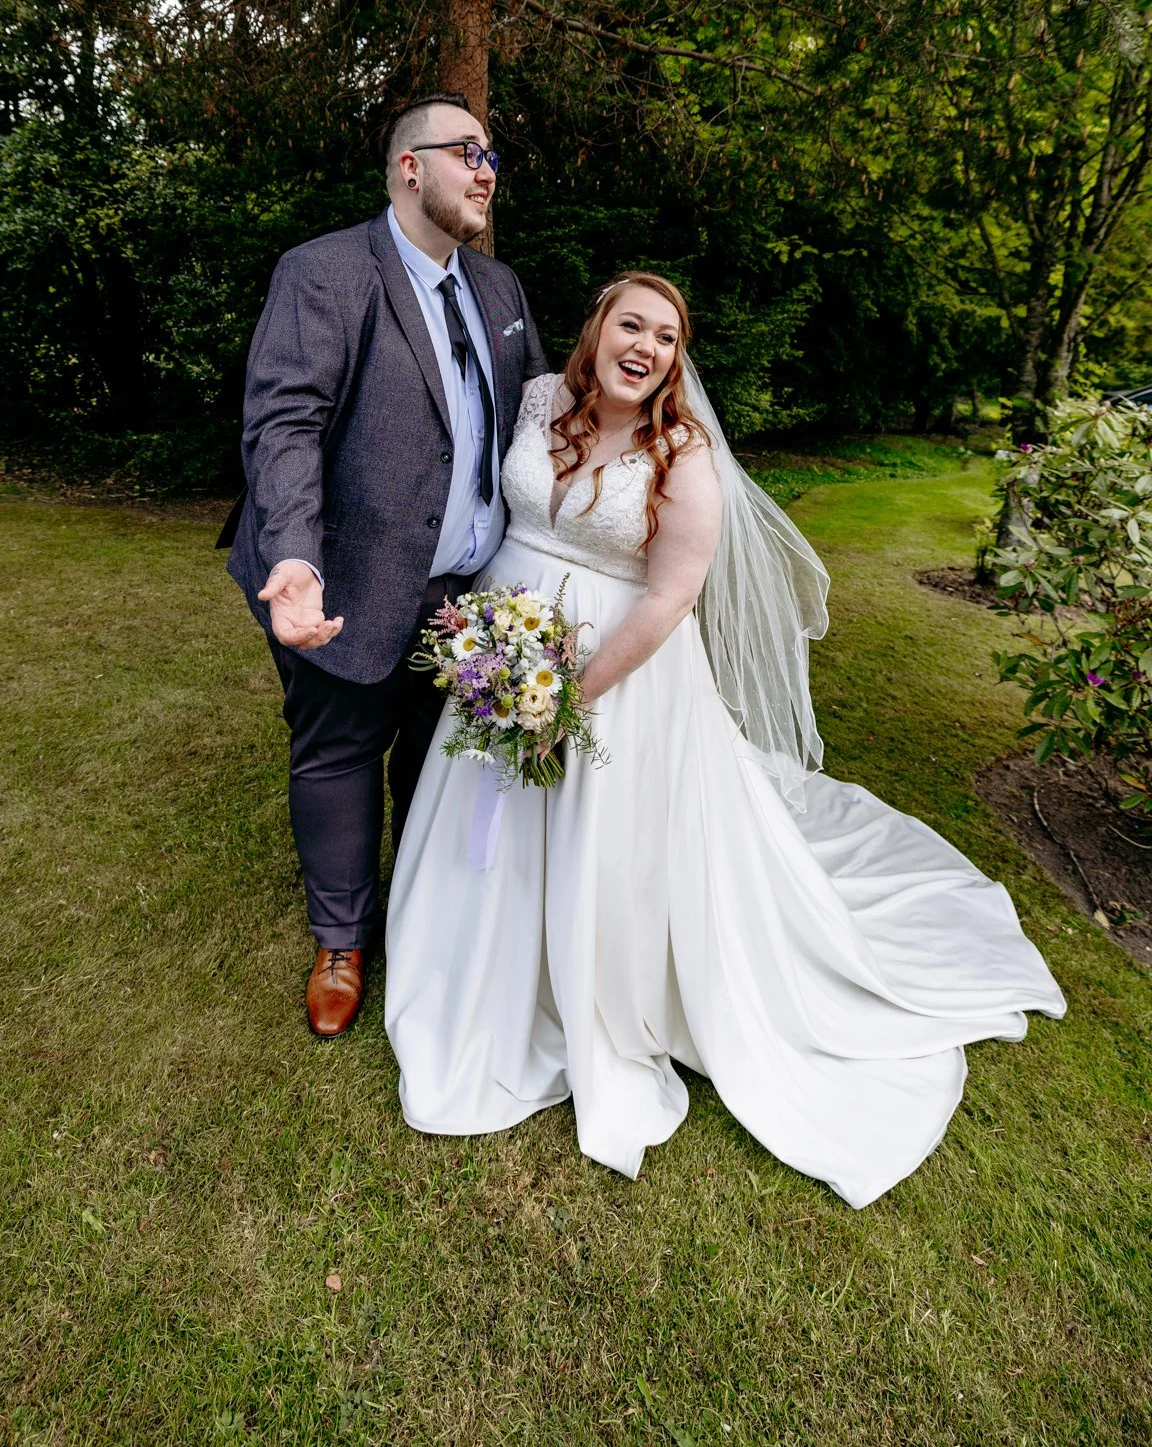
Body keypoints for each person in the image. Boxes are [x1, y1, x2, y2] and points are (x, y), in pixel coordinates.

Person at [384, 271, 1066, 1208]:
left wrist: (569, 701)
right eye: (633, 325)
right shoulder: (539, 398)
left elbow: (670, 598)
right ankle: (470, 962)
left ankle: (590, 987)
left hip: (616, 675)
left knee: (605, 842)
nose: (648, 348)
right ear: (596, 328)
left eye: (667, 338)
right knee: (487, 816)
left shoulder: (684, 450)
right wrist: (491, 645)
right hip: (504, 641)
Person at [225, 94, 547, 1037]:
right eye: (468, 153)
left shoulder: (500, 289)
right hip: (340, 578)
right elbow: (284, 423)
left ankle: (423, 912)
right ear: (412, 168)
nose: (487, 169)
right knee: (337, 750)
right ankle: (341, 939)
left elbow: (529, 421)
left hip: (464, 592)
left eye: (493, 154)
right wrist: (292, 553)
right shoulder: (325, 272)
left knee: (435, 755)